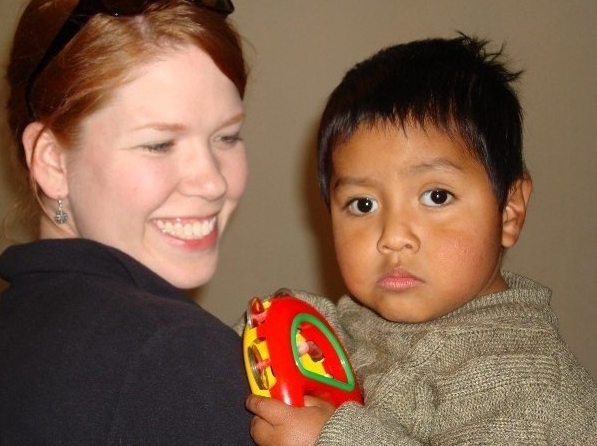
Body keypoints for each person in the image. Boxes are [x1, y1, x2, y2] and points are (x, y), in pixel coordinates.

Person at [245, 34, 597, 445]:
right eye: (362, 205)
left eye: (436, 196)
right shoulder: (365, 319)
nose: (393, 237)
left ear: (509, 211)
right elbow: (339, 328)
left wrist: (335, 439)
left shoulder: (533, 387)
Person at [0, 0, 254, 444]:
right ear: (53, 161)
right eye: (159, 143)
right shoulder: (176, 357)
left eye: (226, 137)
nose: (213, 183)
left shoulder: (15, 327)